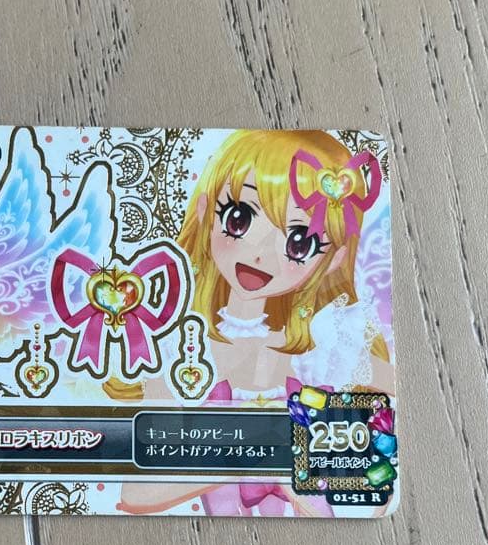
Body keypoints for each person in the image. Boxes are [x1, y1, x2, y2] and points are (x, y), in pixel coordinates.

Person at [117, 129, 393, 516]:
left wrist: (306, 473)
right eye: (239, 218)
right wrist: (253, 454)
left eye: (299, 242)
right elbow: (137, 489)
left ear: (333, 259)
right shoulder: (181, 347)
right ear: (205, 211)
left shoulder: (327, 348)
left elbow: (379, 479)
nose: (260, 254)